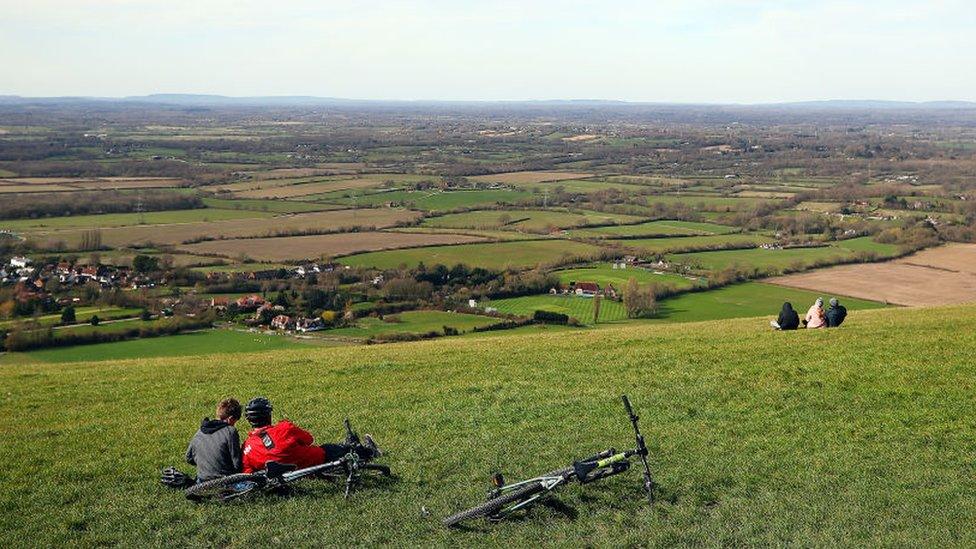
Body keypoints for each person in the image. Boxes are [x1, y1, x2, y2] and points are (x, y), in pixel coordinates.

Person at [241, 397, 379, 473]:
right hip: (317, 461)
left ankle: (349, 445)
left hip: (289, 475)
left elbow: (248, 470)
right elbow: (309, 439)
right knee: (331, 449)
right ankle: (369, 452)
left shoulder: (247, 447)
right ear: (268, 415)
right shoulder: (284, 428)